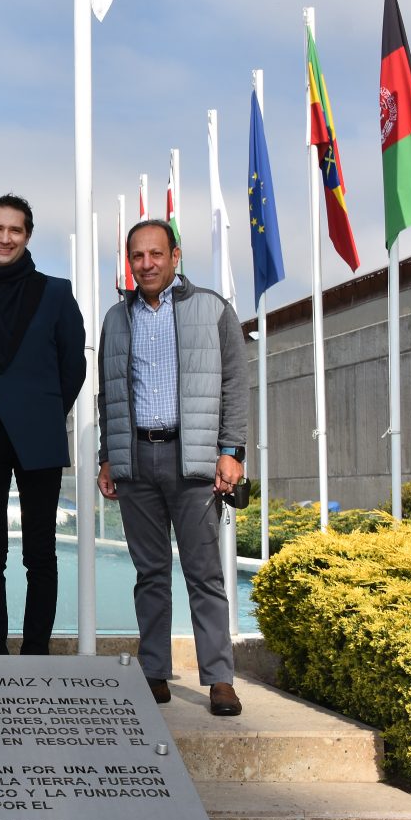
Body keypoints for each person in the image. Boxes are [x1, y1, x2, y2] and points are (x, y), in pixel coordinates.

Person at [97, 219, 248, 716]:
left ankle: (219, 678)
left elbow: (235, 385)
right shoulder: (117, 319)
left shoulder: (212, 309)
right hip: (137, 461)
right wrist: (107, 456)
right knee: (150, 572)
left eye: (156, 254)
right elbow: (110, 395)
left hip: (196, 461)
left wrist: (233, 450)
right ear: (130, 261)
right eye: (137, 256)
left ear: (175, 255)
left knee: (204, 573)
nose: (147, 264)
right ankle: (154, 671)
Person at [0, 195, 86, 655]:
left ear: (27, 235)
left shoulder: (57, 293)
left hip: (39, 435)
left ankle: (36, 653)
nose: (5, 238)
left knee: (40, 554)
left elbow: (73, 367)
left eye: (15, 230)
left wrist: (43, 409)